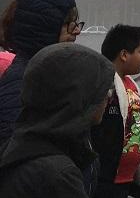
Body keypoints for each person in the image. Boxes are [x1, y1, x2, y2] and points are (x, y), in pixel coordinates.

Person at [0, 43, 114, 198]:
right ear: (77, 98)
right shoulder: (60, 176)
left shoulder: (18, 146)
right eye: (102, 90)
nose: (108, 96)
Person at [0, 0, 81, 151]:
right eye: (69, 24)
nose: (77, 31)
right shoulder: (22, 84)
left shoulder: (45, 74)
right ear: (44, 30)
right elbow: (15, 156)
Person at [92, 25, 140, 198]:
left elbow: (137, 123)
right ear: (124, 55)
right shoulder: (105, 86)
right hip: (107, 179)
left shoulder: (130, 85)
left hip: (128, 178)